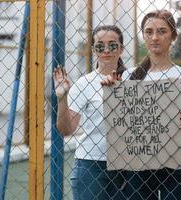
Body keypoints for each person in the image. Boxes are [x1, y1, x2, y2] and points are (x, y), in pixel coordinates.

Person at [103, 10, 181, 200]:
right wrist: (111, 90)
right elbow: (120, 122)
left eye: (162, 31)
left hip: (174, 162)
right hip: (139, 164)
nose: (155, 37)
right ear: (143, 35)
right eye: (149, 31)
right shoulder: (128, 76)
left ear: (173, 36)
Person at [53, 25, 127, 200]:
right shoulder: (84, 83)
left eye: (112, 45)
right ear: (94, 50)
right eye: (100, 46)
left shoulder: (133, 79)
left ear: (121, 49)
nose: (106, 50)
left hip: (127, 163)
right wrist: (62, 98)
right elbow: (66, 129)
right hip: (91, 163)